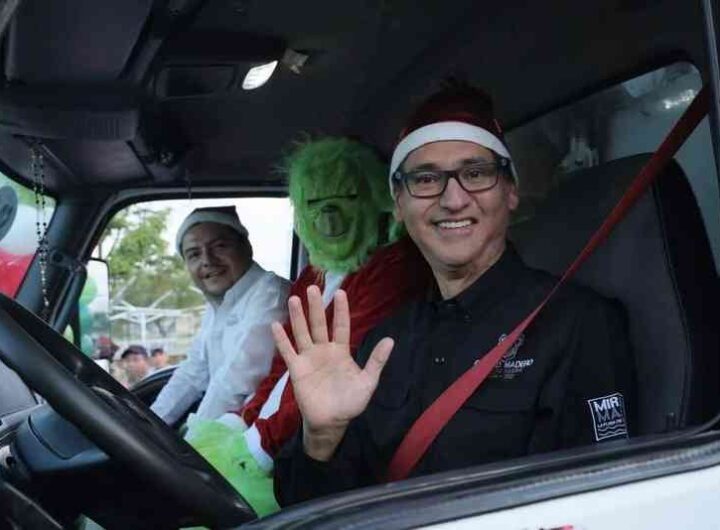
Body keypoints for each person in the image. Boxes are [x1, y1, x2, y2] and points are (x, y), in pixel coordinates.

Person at [273, 83, 637, 504]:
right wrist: (321, 437)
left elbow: (602, 502)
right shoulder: (385, 342)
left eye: (476, 173)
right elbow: (312, 508)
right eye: (426, 179)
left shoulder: (578, 324)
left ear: (510, 191)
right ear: (398, 204)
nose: (453, 199)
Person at [186, 138, 432, 516]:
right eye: (315, 202)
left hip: (323, 448)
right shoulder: (313, 276)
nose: (328, 215)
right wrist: (241, 422)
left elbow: (330, 372)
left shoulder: (391, 269)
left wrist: (257, 446)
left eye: (346, 197)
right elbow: (283, 364)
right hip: (274, 437)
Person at [150, 206, 290, 426]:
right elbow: (192, 373)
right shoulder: (219, 305)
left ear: (246, 247)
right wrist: (149, 423)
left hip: (261, 432)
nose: (207, 260)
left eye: (219, 246)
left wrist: (194, 439)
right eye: (194, 254)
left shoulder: (271, 293)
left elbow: (236, 383)